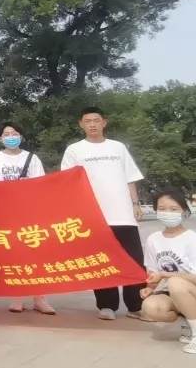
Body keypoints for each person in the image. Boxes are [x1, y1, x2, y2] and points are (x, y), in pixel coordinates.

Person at [60, 106, 147, 321]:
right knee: (102, 262)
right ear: (81, 125)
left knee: (133, 260)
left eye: (96, 120)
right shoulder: (74, 150)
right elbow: (67, 183)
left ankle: (136, 306)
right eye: (87, 121)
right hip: (94, 216)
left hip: (123, 214)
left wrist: (135, 203)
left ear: (104, 122)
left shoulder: (118, 147)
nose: (92, 124)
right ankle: (107, 306)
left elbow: (130, 178)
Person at [139, 191, 196, 355]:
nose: (167, 213)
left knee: (175, 282)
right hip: (176, 292)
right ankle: (187, 322)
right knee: (150, 307)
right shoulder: (153, 239)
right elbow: (153, 271)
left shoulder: (193, 240)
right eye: (162, 208)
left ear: (184, 211)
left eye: (173, 209)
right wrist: (150, 288)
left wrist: (165, 275)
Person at [0, 122, 55, 316]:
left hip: (29, 213)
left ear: (21, 137)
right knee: (14, 255)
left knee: (35, 255)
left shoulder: (32, 158)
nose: (11, 137)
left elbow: (42, 185)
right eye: (6, 134)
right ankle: (17, 296)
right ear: (0, 139)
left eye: (14, 133)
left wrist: (29, 186)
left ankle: (40, 298)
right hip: (5, 214)